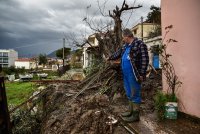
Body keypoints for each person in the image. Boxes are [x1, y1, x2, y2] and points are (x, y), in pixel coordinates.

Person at [107, 28, 149, 122]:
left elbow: (145, 59)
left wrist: (142, 73)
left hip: (134, 73)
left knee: (135, 93)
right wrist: (109, 57)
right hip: (125, 74)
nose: (123, 39)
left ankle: (135, 115)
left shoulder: (140, 44)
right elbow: (117, 54)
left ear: (127, 36)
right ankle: (130, 111)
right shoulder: (125, 46)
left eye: (123, 37)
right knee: (129, 92)